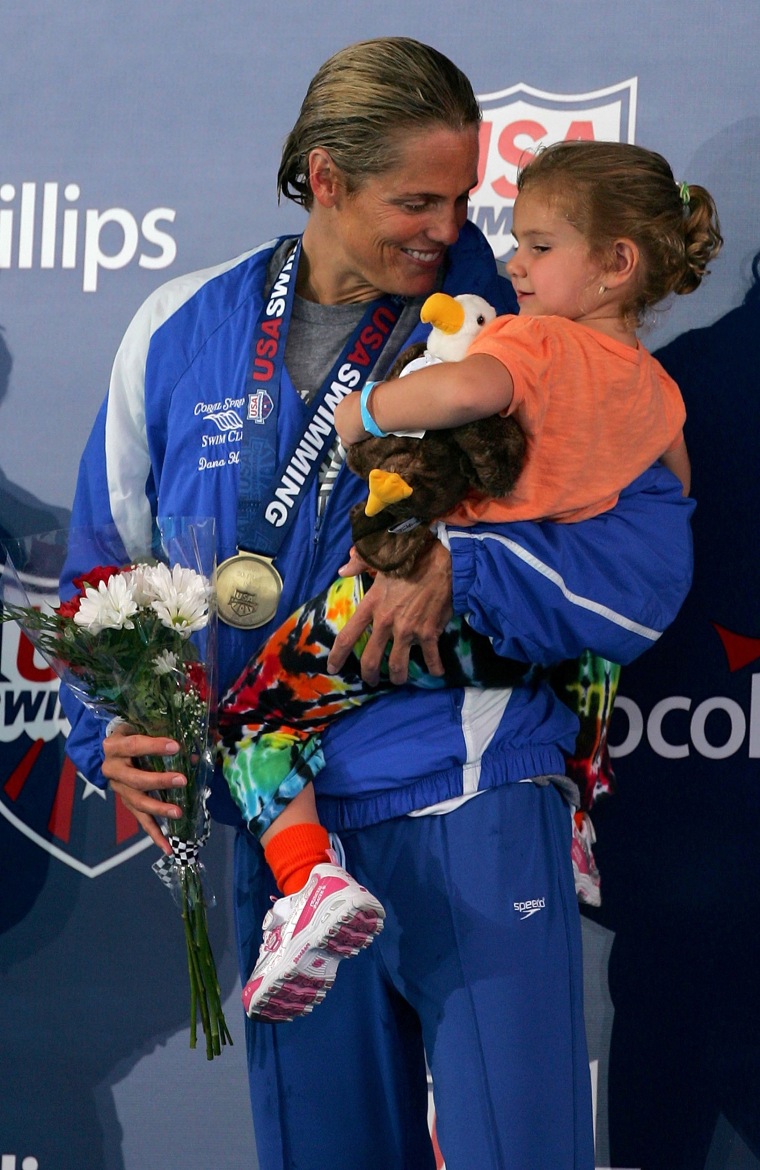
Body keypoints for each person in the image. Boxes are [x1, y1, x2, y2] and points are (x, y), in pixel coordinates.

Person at [59, 38, 695, 1170]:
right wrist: (111, 725)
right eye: (416, 200)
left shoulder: (524, 335)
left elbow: (645, 568)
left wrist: (469, 570)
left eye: (461, 199)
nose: (448, 230)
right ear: (324, 180)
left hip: (469, 797)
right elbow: (108, 566)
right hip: (284, 841)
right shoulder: (176, 330)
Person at [216, 141, 720, 1019]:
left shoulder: (534, 343)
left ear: (616, 265)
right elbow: (670, 487)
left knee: (249, 719)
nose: (515, 264)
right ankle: (574, 819)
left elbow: (465, 393)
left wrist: (368, 409)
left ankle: (306, 888)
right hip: (537, 634)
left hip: (436, 601)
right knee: (590, 667)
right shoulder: (662, 392)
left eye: (538, 246)